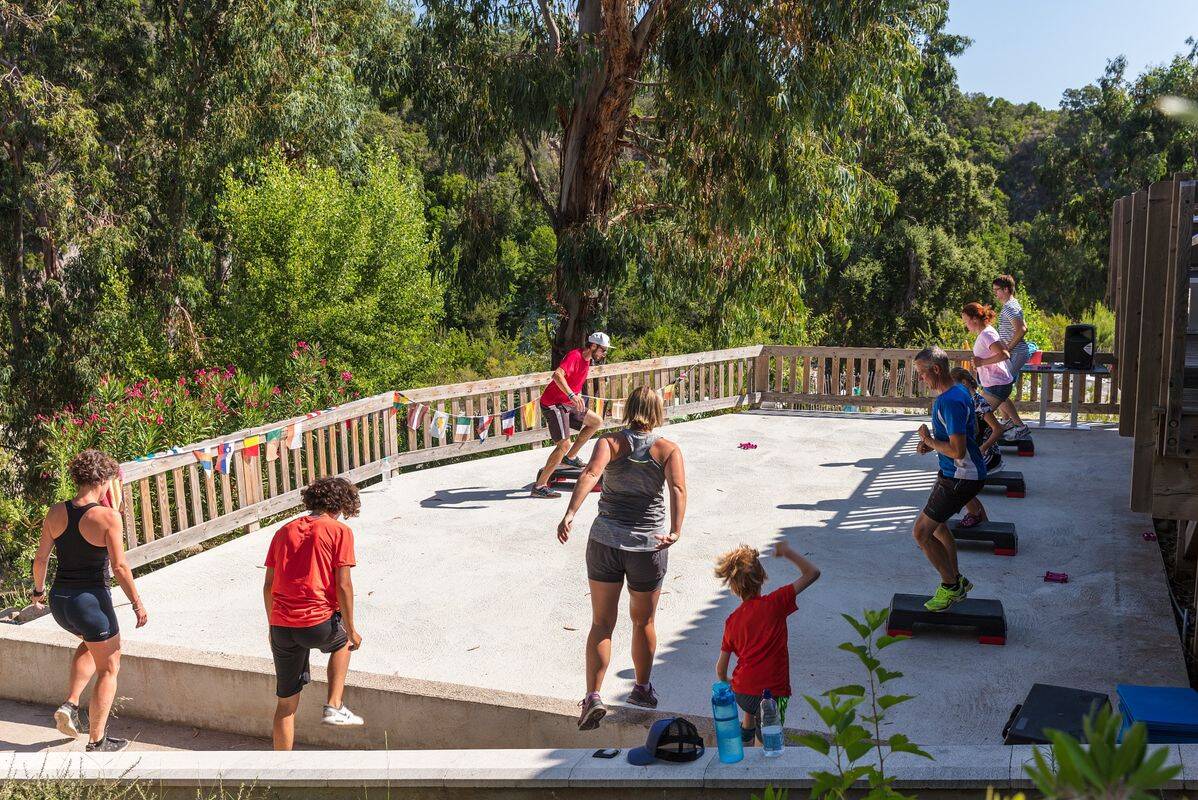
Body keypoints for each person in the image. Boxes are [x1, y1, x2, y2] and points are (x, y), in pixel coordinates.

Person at [556, 386, 686, 730]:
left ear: (628, 409)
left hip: (605, 543)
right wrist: (675, 530)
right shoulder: (668, 450)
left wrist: (570, 513)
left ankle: (594, 697)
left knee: (602, 622)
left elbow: (589, 474)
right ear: (657, 412)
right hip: (647, 546)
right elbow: (677, 489)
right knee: (643, 622)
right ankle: (641, 690)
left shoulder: (609, 443)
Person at [32, 449, 148, 752]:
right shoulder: (108, 517)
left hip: (60, 602)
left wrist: (37, 592)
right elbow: (120, 567)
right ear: (104, 480)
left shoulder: (56, 511)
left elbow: (41, 558)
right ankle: (97, 740)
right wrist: (137, 603)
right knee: (109, 667)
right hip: (91, 604)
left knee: (90, 644)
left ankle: (70, 704)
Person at [264, 477, 365, 750]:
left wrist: (272, 624)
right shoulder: (339, 531)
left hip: (281, 626)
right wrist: (351, 627)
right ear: (342, 504)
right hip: (316, 621)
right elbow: (343, 585)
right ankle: (334, 705)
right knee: (344, 641)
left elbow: (269, 586)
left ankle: (281, 772)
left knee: (285, 705)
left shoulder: (283, 531)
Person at [714, 541, 819, 746]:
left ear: (734, 588)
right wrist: (788, 552)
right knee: (767, 744)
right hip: (773, 694)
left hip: (742, 693)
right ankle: (757, 750)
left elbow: (720, 671)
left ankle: (747, 726)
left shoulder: (732, 621)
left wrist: (732, 682)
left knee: (750, 684)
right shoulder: (775, 603)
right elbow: (812, 573)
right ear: (762, 578)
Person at [912, 346, 987, 612]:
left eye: (922, 373)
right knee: (939, 527)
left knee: (921, 533)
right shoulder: (957, 391)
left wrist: (929, 441)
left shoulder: (950, 400)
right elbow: (965, 432)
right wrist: (931, 444)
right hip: (955, 472)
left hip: (960, 476)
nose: (921, 379)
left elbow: (958, 450)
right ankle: (957, 581)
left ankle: (950, 586)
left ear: (935, 369)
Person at [532, 332, 611, 499]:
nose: (604, 353)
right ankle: (539, 486)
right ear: (593, 346)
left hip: (569, 402)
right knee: (563, 444)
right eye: (603, 349)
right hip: (554, 403)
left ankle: (570, 457)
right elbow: (557, 375)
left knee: (596, 421)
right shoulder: (575, 356)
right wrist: (571, 395)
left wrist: (577, 395)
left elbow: (574, 380)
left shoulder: (588, 361)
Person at [949, 367, 1001, 528]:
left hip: (987, 455)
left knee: (957, 479)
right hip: (975, 452)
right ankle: (980, 517)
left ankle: (974, 514)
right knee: (952, 477)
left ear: (964, 383)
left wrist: (983, 447)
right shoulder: (965, 401)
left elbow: (998, 429)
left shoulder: (978, 401)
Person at [992, 275, 1033, 440]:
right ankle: (1006, 423)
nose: (995, 294)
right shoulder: (1012, 305)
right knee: (1001, 388)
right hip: (1015, 353)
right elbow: (1024, 327)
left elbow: (1022, 329)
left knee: (997, 390)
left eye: (997, 290)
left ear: (1006, 289)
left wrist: (1007, 348)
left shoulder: (1010, 307)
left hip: (1015, 353)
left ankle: (1020, 427)